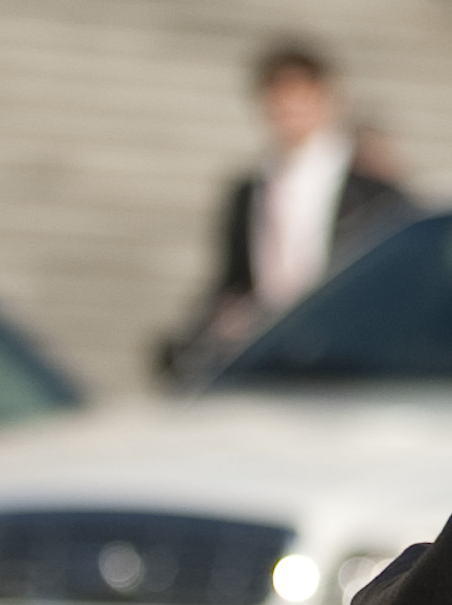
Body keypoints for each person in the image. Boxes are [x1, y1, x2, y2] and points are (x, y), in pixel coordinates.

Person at [173, 42, 409, 373]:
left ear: (326, 99)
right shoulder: (248, 192)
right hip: (272, 356)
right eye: (280, 100)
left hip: (349, 357)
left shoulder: (374, 194)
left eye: (301, 97)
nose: (290, 110)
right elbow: (234, 283)